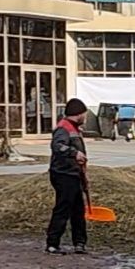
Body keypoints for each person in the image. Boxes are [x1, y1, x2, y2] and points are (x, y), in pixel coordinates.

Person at [46, 98, 89, 254]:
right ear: (78, 114)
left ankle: (79, 242)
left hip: (74, 173)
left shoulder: (74, 128)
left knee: (78, 209)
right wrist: (74, 153)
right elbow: (57, 146)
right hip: (64, 174)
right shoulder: (64, 128)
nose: (85, 117)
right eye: (84, 114)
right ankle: (52, 243)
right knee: (63, 208)